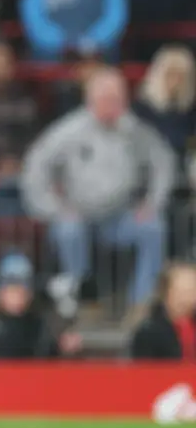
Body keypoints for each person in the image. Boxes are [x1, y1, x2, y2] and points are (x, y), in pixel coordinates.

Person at [21, 66, 175, 307]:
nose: (113, 106)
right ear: (90, 99)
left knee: (153, 227)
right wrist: (52, 207)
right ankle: (80, 301)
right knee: (69, 230)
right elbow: (35, 167)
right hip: (77, 215)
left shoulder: (135, 130)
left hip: (119, 216)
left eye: (118, 100)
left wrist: (152, 202)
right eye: (107, 99)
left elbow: (163, 162)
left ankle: (142, 303)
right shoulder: (68, 130)